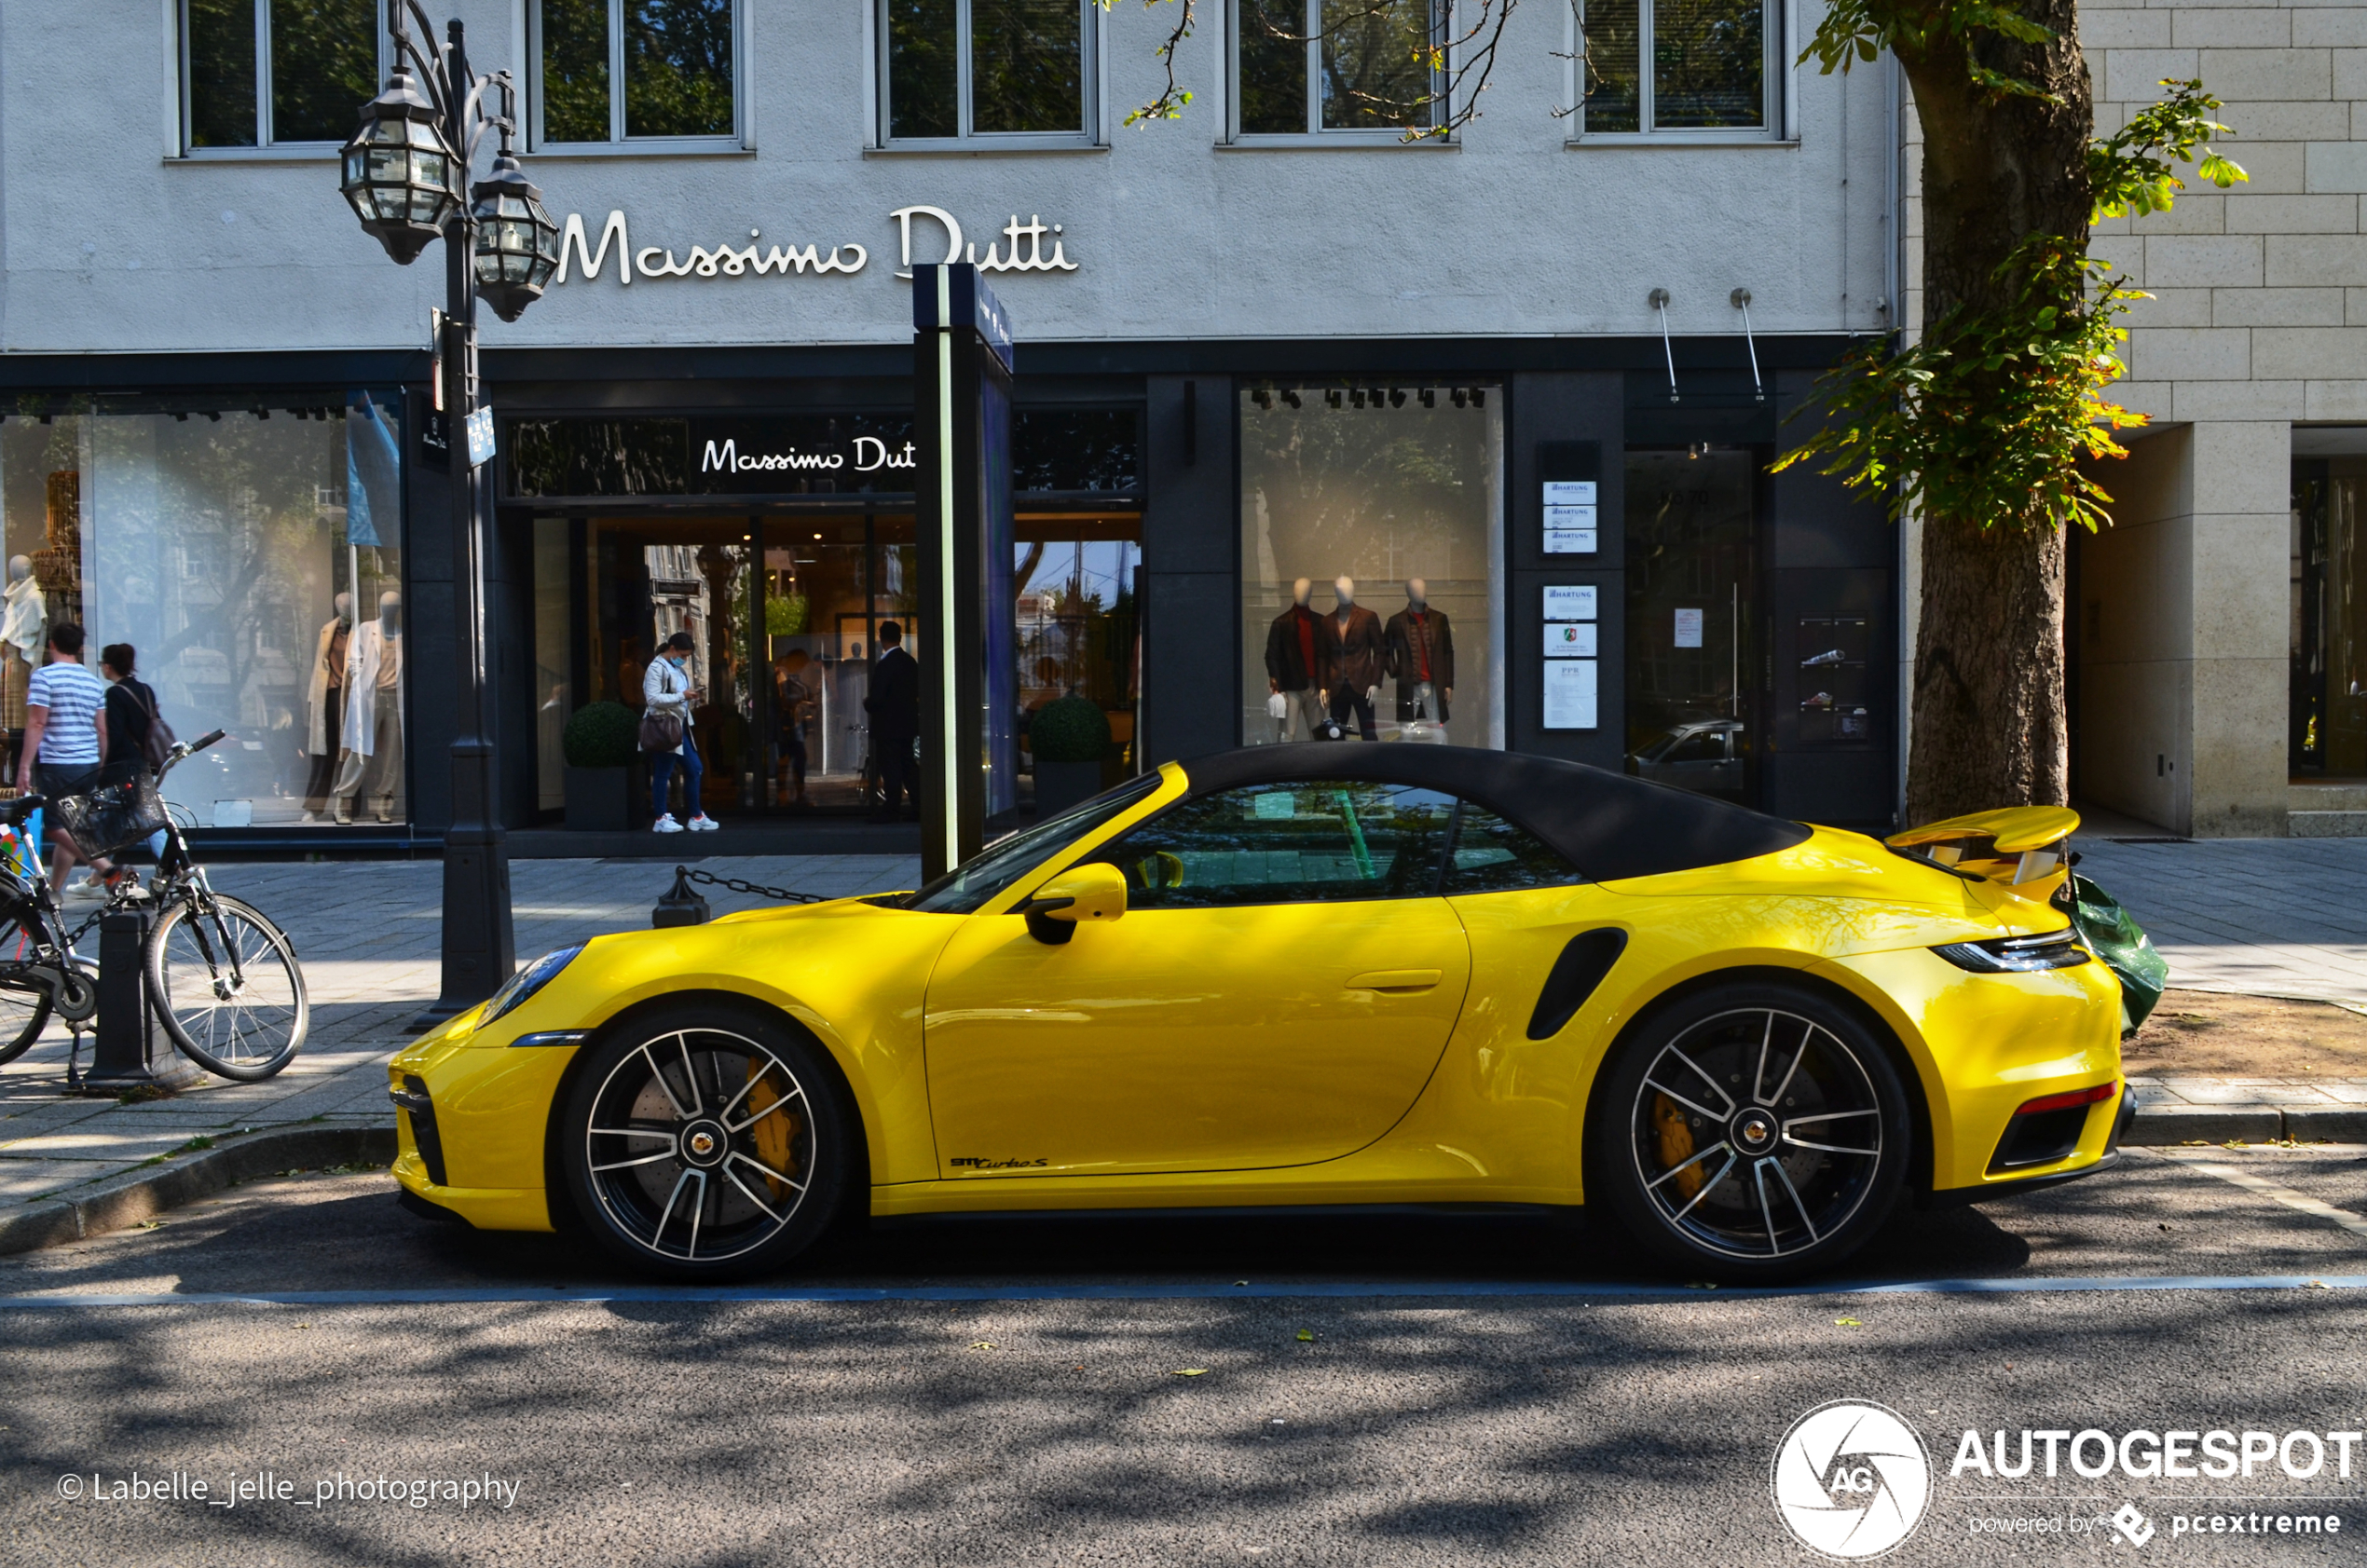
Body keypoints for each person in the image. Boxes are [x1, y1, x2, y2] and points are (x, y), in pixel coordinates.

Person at [17, 623, 111, 898]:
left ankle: (108, 869)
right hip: (87, 765)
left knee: (56, 829)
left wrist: (24, 767)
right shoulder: (94, 683)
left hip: (59, 764)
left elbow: (37, 723)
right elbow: (102, 730)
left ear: (52, 645)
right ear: (80, 648)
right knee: (73, 827)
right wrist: (100, 765)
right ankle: (53, 891)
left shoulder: (44, 678)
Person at [644, 630, 718, 833]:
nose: (685, 659)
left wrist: (688, 696)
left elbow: (676, 696)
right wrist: (682, 696)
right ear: (672, 649)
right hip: (664, 727)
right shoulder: (656, 668)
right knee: (664, 772)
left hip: (678, 726)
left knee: (695, 768)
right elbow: (652, 699)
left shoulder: (675, 669)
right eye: (683, 655)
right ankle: (661, 817)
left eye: (687, 656)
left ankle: (695, 815)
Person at [866, 620, 920, 822]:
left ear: (881, 638)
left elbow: (878, 697)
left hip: (887, 726)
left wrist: (868, 704)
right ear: (900, 637)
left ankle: (891, 809)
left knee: (891, 768)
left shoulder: (885, 665)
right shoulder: (909, 662)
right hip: (907, 724)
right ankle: (918, 806)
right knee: (908, 765)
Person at [773, 649, 814, 808]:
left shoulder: (789, 677)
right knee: (793, 758)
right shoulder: (782, 675)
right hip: (788, 724)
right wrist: (803, 702)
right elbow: (785, 699)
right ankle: (792, 793)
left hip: (791, 723)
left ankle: (791, 793)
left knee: (792, 758)